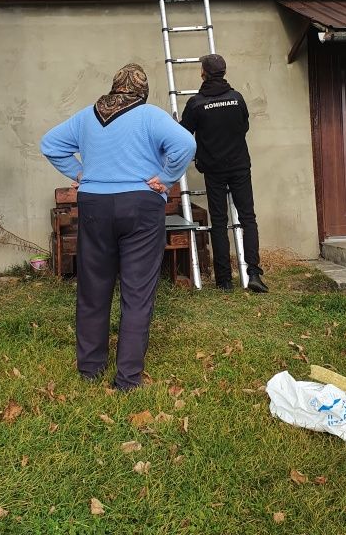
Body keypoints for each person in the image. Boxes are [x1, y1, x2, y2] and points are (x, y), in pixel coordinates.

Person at [40, 63, 196, 390]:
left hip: (95, 205)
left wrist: (81, 174)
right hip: (140, 204)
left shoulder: (86, 116)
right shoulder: (150, 115)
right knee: (137, 293)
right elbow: (185, 144)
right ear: (143, 90)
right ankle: (127, 379)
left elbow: (50, 144)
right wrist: (166, 178)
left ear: (114, 87)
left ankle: (90, 369)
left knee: (93, 289)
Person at [180, 54, 268, 294]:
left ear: (203, 73)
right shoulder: (237, 99)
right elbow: (244, 126)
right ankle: (253, 273)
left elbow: (184, 134)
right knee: (247, 218)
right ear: (224, 72)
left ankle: (224, 281)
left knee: (219, 222)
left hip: (214, 170)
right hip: (240, 166)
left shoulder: (196, 104)